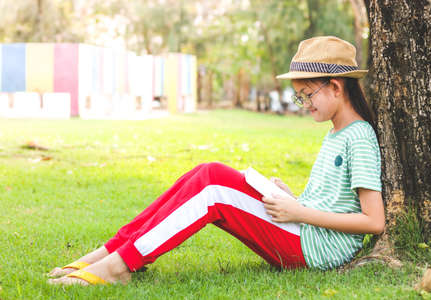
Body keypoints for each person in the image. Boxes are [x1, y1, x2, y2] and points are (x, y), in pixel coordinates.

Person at [48, 36, 385, 286]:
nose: (303, 103)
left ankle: (119, 266)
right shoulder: (336, 134)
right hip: (304, 231)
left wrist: (299, 212)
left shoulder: (359, 137)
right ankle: (112, 250)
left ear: (337, 88)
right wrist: (292, 199)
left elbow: (374, 222)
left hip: (313, 249)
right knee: (205, 173)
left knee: (213, 190)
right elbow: (333, 203)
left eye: (306, 95)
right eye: (299, 96)